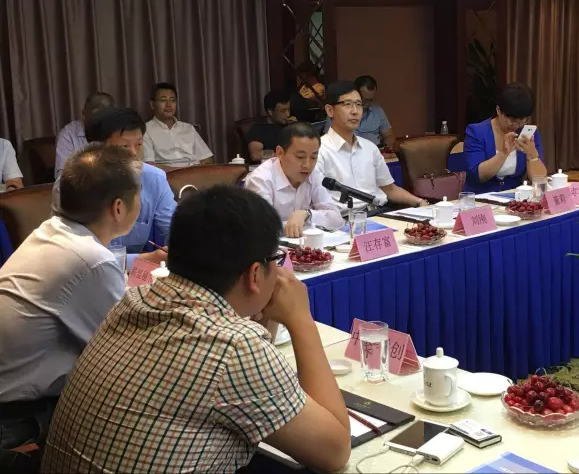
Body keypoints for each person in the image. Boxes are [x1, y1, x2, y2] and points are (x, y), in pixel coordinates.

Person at [42, 186, 351, 474]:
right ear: (255, 273)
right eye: (276, 259)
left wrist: (264, 306)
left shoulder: (133, 301)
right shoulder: (233, 349)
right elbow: (334, 451)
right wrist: (300, 319)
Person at [0, 144, 141, 451]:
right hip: (19, 418)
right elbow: (127, 356)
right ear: (119, 208)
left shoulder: (53, 230)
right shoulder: (91, 259)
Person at [53, 107, 175, 267]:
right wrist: (145, 260)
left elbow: (174, 229)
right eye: (124, 147)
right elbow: (78, 255)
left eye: (139, 144)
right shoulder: (74, 182)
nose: (133, 154)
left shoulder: (154, 179)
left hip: (138, 274)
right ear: (97, 150)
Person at [317, 80, 428, 213]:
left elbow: (390, 189)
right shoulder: (318, 150)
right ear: (330, 110)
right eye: (347, 105)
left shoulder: (370, 148)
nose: (355, 111)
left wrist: (419, 202)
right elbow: (315, 199)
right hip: (344, 218)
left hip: (379, 213)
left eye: (359, 104)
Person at [245, 122, 343, 237]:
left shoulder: (314, 174)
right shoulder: (260, 180)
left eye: (313, 157)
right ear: (280, 153)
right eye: (300, 157)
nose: (307, 165)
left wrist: (307, 215)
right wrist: (294, 224)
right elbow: (263, 228)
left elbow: (337, 219)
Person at [463, 82, 547, 194]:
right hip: (480, 198)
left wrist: (532, 155)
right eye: (512, 120)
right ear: (498, 110)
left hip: (515, 198)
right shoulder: (477, 132)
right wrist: (503, 154)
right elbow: (477, 176)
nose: (517, 125)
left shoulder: (529, 134)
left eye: (523, 120)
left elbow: (540, 181)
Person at [143, 82, 214, 167]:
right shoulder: (145, 130)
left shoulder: (188, 128)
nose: (169, 105)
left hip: (195, 172)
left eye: (172, 100)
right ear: (152, 104)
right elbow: (150, 165)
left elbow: (206, 158)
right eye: (163, 100)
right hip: (168, 174)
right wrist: (182, 172)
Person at [55, 92, 115, 177]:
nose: (99, 124)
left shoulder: (121, 131)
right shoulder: (68, 134)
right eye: (94, 119)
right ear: (84, 113)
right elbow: (62, 176)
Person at [247, 90, 297, 164]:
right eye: (283, 111)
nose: (288, 114)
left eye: (288, 110)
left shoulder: (292, 126)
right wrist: (285, 154)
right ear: (270, 112)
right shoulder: (258, 129)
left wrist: (298, 127)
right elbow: (256, 155)